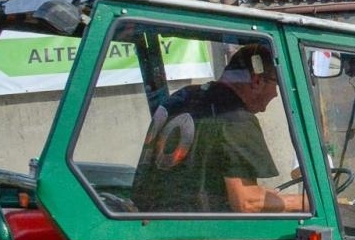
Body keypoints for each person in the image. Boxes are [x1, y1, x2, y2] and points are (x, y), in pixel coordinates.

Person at [131, 45, 310, 214]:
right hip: (201, 230)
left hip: (153, 220)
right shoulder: (236, 118)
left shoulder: (182, 97)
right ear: (256, 81)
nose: (276, 94)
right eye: (276, 84)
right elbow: (245, 202)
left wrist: (263, 194)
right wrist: (303, 202)